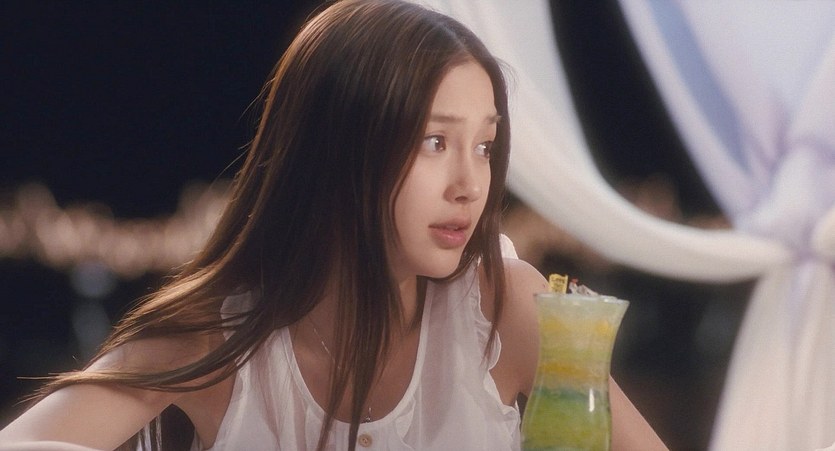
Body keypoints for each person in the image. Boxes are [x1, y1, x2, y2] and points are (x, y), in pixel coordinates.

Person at [0, 0, 667, 449]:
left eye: (485, 146)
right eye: (434, 141)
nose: (469, 184)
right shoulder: (218, 338)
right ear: (338, 148)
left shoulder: (505, 309)